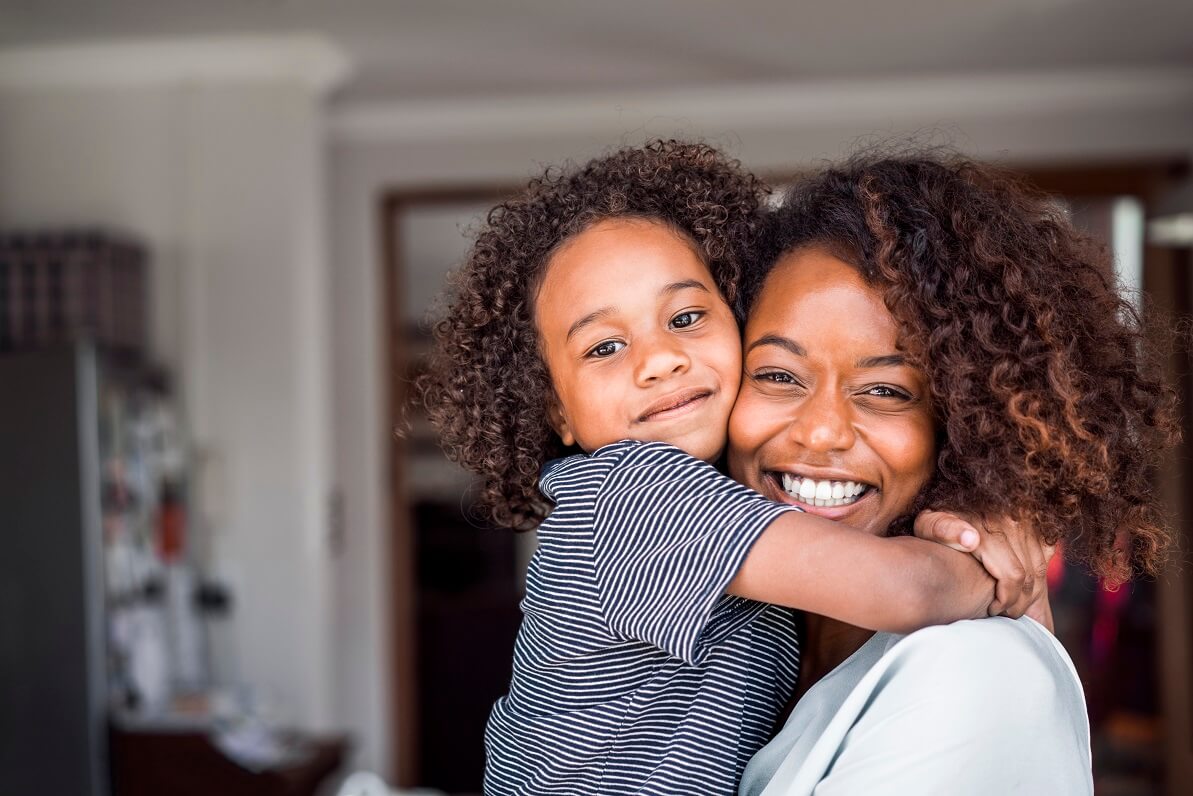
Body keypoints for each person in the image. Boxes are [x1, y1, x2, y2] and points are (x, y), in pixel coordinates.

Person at [415, 141, 1045, 796]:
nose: (658, 360)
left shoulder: (741, 517)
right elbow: (911, 593)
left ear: (735, 320)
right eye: (604, 346)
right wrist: (987, 560)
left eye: (686, 317)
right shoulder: (628, 495)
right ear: (558, 413)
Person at [731, 153, 1178, 795]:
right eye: (777, 376)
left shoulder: (979, 669)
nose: (821, 431)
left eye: (885, 390)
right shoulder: (743, 654)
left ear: (965, 426)